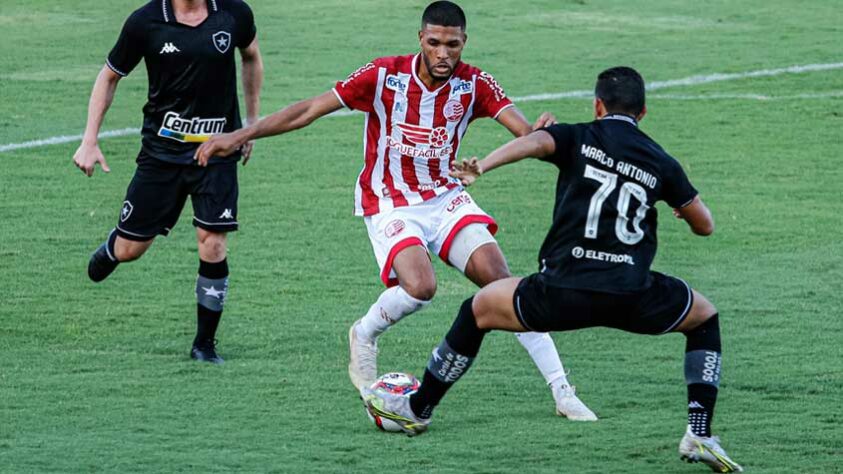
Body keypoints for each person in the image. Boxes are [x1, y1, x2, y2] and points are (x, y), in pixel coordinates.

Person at [195, 1, 595, 419]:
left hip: (445, 197)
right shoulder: (383, 74)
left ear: (464, 42)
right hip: (390, 199)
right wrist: (239, 134)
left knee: (504, 284)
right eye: (435, 43)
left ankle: (562, 391)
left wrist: (540, 132)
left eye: (453, 45)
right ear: (420, 38)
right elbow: (310, 109)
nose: (444, 54)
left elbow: (524, 133)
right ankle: (364, 334)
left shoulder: (475, 84)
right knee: (421, 287)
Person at [364, 66, 743, 472]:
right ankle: (699, 434)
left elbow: (532, 144)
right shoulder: (662, 162)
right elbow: (705, 225)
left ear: (598, 106)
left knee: (476, 311)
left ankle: (418, 408)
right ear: (643, 112)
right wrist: (677, 205)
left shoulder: (578, 136)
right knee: (704, 316)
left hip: (562, 292)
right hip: (632, 294)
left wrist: (484, 166)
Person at [72, 0, 264, 364]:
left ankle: (204, 344)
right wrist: (89, 140)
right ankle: (114, 247)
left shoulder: (233, 12)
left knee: (213, 244)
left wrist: (250, 125)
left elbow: (251, 56)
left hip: (217, 150)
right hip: (161, 156)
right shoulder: (144, 23)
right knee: (133, 249)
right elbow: (109, 76)